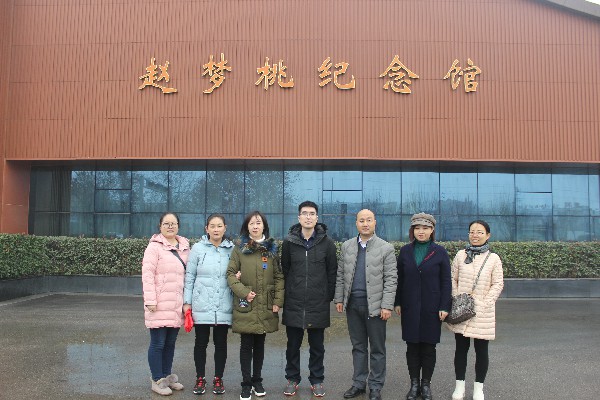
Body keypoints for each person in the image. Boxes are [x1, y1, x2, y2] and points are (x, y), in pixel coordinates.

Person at [334, 209, 397, 400]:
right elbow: (341, 275)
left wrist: (387, 305)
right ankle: (359, 383)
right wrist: (339, 299)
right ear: (356, 223)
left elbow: (391, 279)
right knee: (358, 346)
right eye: (361, 220)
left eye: (369, 220)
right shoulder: (347, 246)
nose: (365, 224)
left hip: (376, 307)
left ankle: (376, 386)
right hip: (353, 305)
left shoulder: (386, 248)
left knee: (377, 348)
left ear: (375, 222)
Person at [280, 201, 337, 397]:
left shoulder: (327, 243)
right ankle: (292, 378)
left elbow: (332, 272)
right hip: (294, 301)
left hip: (317, 302)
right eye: (304, 213)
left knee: (317, 346)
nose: (308, 217)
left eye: (312, 213)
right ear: (299, 217)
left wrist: (327, 296)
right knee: (292, 345)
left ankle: (317, 379)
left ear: (317, 218)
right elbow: (285, 270)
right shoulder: (289, 243)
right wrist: (288, 294)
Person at [226, 211, 285, 400]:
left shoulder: (271, 250)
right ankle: (246, 384)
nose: (255, 226)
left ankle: (257, 380)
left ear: (264, 226)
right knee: (246, 345)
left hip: (265, 303)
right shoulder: (239, 249)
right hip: (247, 304)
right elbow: (230, 274)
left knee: (260, 344)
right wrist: (243, 291)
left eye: (258, 222)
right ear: (247, 227)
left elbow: (279, 276)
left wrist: (277, 301)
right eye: (251, 223)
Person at [394, 213, 451, 400]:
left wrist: (444, 306)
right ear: (412, 230)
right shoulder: (405, 251)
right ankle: (414, 384)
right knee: (412, 346)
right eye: (417, 228)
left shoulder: (439, 252)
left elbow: (446, 282)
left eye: (425, 228)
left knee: (428, 347)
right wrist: (398, 302)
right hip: (409, 306)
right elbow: (399, 279)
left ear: (432, 230)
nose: (421, 231)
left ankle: (426, 384)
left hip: (432, 307)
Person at [447, 220, 504, 400]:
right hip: (462, 309)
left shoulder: (494, 258)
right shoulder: (460, 255)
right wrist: (457, 297)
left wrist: (486, 303)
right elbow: (452, 278)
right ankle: (459, 386)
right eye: (472, 231)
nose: (475, 235)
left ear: (488, 235)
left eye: (480, 232)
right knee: (460, 349)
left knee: (481, 350)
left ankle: (479, 388)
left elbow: (498, 283)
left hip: (482, 311)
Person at [183, 214, 235, 395]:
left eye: (219, 226)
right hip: (201, 303)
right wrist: (187, 302)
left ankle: (218, 378)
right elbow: (189, 276)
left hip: (223, 303)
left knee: (221, 343)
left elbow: (237, 275)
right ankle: (200, 378)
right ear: (207, 229)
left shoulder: (232, 250)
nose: (216, 229)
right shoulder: (197, 248)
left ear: (225, 228)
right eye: (212, 226)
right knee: (201, 342)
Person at [142, 212, 190, 396]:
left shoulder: (185, 247)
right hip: (159, 304)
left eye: (173, 223)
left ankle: (167, 377)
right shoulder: (154, 247)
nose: (170, 226)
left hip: (176, 304)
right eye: (166, 223)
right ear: (160, 226)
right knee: (158, 343)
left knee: (170, 343)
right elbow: (147, 275)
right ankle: (157, 380)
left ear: (178, 226)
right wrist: (150, 300)